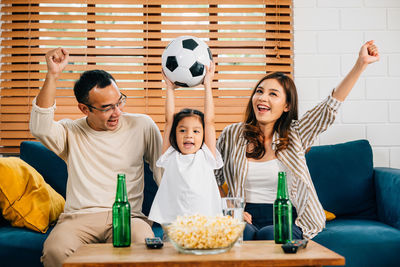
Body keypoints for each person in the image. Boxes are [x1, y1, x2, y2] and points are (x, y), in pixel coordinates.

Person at [215, 40, 380, 240]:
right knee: (241, 233)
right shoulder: (232, 134)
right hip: (244, 215)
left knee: (271, 236)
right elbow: (212, 177)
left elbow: (329, 107)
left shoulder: (295, 134)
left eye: (273, 94)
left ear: (286, 106)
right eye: (259, 91)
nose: (262, 98)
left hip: (285, 216)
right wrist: (231, 208)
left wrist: (360, 64)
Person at [30, 47, 163, 267]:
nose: (117, 112)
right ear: (84, 109)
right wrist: (52, 75)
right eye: (107, 108)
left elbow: (163, 172)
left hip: (128, 218)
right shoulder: (71, 132)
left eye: (120, 101)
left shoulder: (142, 125)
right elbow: (40, 128)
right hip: (79, 220)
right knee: (55, 251)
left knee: (144, 246)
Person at [148, 62, 223, 225]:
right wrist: (169, 88)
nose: (189, 135)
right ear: (175, 134)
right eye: (182, 130)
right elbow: (169, 120)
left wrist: (208, 84)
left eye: (196, 131)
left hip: (205, 222)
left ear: (203, 135)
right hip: (172, 222)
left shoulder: (206, 155)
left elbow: (209, 121)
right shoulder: (170, 155)